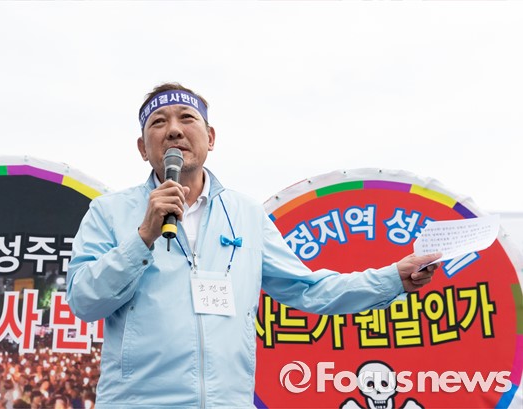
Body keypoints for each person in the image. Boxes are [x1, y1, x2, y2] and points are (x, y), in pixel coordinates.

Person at [66, 82, 441, 408]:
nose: (174, 130)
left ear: (211, 138)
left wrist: (393, 278)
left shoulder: (245, 214)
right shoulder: (109, 212)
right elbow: (84, 300)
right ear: (142, 147)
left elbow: (310, 289)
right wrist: (142, 237)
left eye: (187, 118)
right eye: (159, 122)